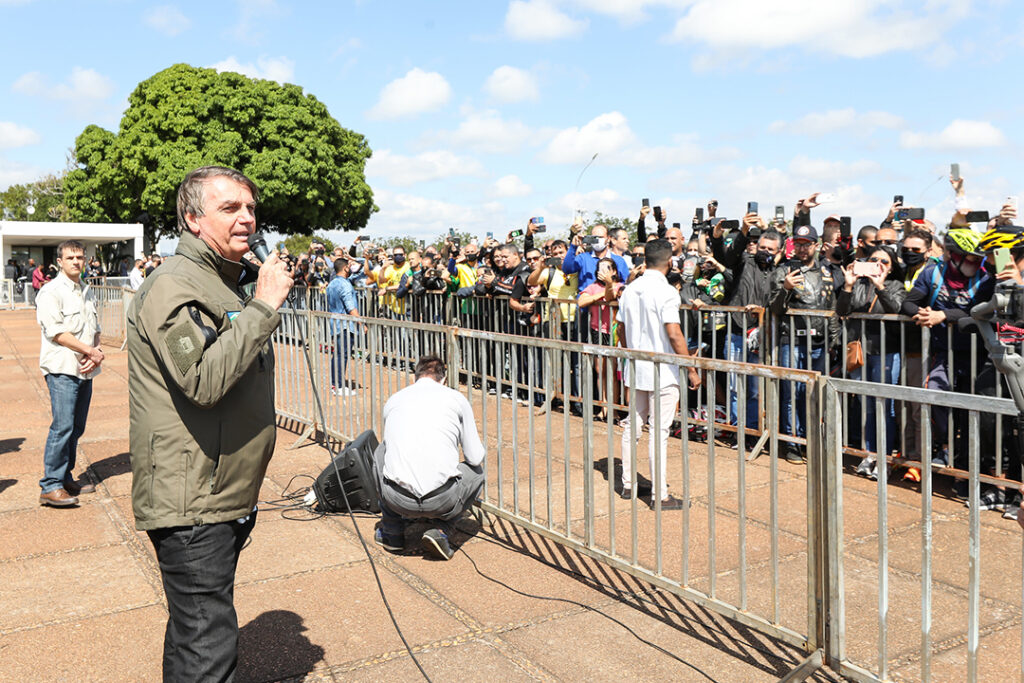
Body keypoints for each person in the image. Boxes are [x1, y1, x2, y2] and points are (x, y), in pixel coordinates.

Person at [127, 165, 293, 681]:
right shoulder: (173, 286)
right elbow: (200, 379)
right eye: (230, 209)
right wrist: (264, 305)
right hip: (193, 500)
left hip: (217, 491)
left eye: (250, 209)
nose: (246, 219)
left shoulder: (221, 282)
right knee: (207, 647)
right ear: (193, 219)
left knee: (194, 632)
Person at [373, 355, 486, 560]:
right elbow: (475, 457)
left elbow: (390, 449)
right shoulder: (456, 399)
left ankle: (392, 531)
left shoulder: (395, 399)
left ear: (416, 377)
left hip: (397, 499)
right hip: (442, 500)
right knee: (477, 472)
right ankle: (443, 529)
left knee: (381, 451)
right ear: (443, 379)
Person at [617, 239, 702, 509]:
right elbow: (674, 332)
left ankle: (629, 484)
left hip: (638, 364)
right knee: (658, 431)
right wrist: (690, 367)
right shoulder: (666, 291)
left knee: (634, 424)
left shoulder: (631, 289)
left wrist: (631, 352)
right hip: (663, 370)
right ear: (669, 262)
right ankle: (659, 495)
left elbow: (620, 329)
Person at [35, 239, 102, 507]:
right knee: (62, 427)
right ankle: (50, 485)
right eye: (71, 257)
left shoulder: (86, 290)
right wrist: (91, 351)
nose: (76, 261)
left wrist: (95, 352)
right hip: (62, 368)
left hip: (85, 368)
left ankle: (65, 477)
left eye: (80, 257)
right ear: (59, 262)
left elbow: (93, 327)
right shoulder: (51, 292)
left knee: (76, 428)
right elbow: (58, 333)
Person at [769, 224, 839, 463]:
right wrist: (786, 288)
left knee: (814, 395)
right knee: (791, 394)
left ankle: (810, 440)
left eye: (806, 244)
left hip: (820, 343)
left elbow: (832, 308)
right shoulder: (783, 270)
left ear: (815, 245)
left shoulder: (827, 271)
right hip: (792, 340)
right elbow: (774, 309)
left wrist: (834, 339)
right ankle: (793, 443)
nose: (801, 248)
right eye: (797, 244)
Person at [711, 213, 782, 440]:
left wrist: (762, 311)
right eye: (762, 247)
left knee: (754, 390)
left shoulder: (779, 272)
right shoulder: (744, 261)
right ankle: (736, 431)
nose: (765, 252)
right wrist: (743, 231)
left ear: (778, 252)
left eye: (771, 249)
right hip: (737, 333)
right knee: (734, 387)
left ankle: (752, 433)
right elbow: (726, 256)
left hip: (763, 337)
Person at [837, 246, 907, 477]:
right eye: (874, 259)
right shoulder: (858, 283)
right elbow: (842, 310)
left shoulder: (895, 286)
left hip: (887, 352)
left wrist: (880, 285)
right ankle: (870, 454)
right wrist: (848, 285)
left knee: (884, 407)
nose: (878, 264)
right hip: (861, 353)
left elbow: (895, 308)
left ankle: (884, 458)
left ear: (892, 266)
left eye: (884, 262)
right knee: (866, 406)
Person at [326, 257, 360, 397]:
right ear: (345, 268)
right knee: (342, 355)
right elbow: (350, 306)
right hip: (345, 326)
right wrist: (360, 322)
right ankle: (339, 386)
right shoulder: (345, 285)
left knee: (338, 355)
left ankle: (336, 384)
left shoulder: (331, 284)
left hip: (336, 324)